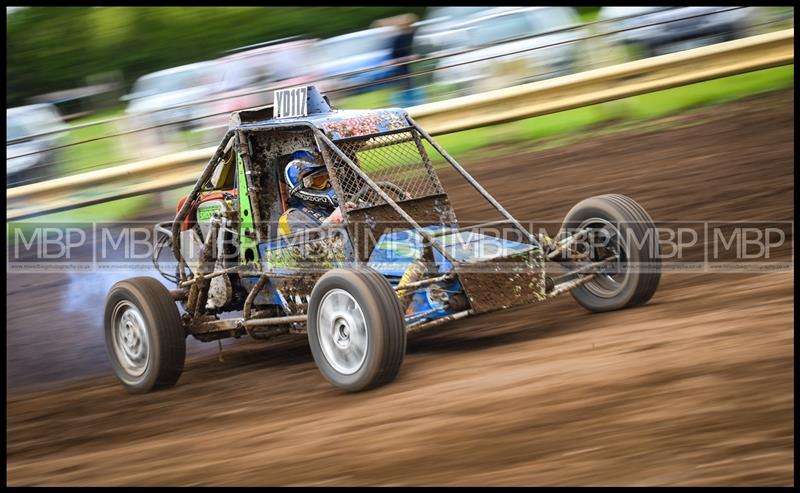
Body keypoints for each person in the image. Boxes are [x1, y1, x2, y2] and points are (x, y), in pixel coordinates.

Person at [277, 148, 352, 236]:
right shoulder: (290, 220)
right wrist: (330, 223)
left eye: (330, 177)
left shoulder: (343, 204)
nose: (329, 184)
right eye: (319, 180)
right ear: (300, 187)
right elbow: (302, 249)